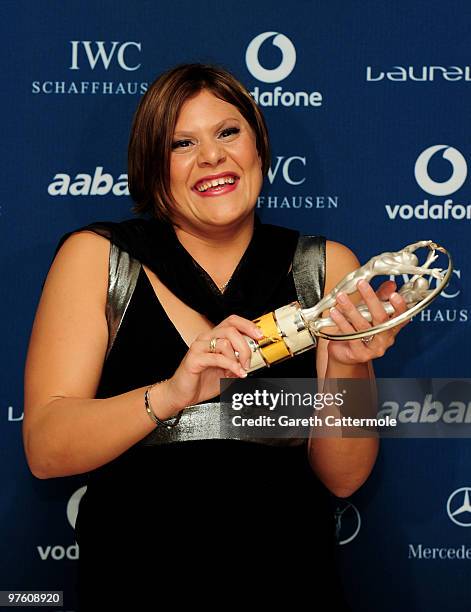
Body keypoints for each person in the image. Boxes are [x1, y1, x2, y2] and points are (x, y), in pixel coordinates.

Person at [23, 63, 408, 610]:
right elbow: (45, 447)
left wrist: (349, 363)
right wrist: (172, 395)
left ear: (258, 147)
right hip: (134, 581)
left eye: (228, 132)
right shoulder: (98, 257)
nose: (212, 157)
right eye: (182, 143)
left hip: (291, 581)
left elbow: (344, 478)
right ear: (152, 167)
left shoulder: (324, 268)